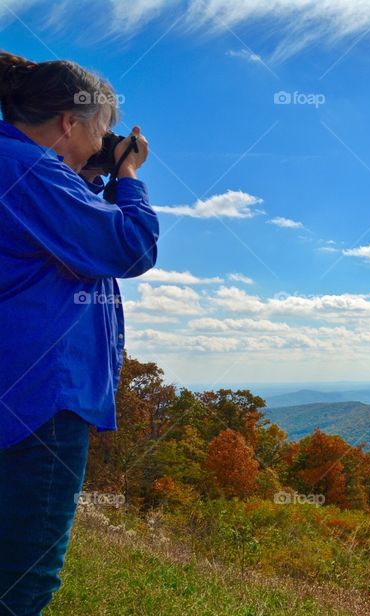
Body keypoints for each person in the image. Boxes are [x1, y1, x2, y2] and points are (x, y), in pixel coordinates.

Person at [0, 51, 157, 615]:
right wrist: (129, 176)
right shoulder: (28, 169)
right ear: (70, 120)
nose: (102, 143)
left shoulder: (21, 169)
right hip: (37, 399)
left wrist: (93, 178)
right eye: (99, 128)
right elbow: (128, 246)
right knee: (23, 581)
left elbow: (58, 234)